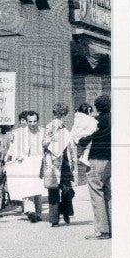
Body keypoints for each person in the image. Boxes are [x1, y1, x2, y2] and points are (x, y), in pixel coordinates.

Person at [78, 94, 111, 240]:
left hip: (96, 159)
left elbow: (84, 140)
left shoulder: (95, 121)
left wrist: (79, 140)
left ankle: (102, 230)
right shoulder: (113, 120)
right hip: (110, 160)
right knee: (107, 193)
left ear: (97, 107)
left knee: (96, 193)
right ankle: (112, 226)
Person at [5, 110, 46, 222]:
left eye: (34, 121)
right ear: (26, 121)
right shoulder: (19, 133)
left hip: (39, 162)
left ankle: (37, 213)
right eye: (30, 122)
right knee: (27, 187)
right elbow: (14, 147)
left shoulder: (43, 132)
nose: (32, 124)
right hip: (25, 162)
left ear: (38, 121)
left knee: (37, 188)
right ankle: (30, 211)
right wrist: (17, 156)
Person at [42, 103, 75, 227]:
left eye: (61, 115)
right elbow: (44, 143)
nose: (60, 117)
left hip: (65, 161)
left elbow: (70, 145)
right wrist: (55, 137)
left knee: (67, 190)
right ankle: (54, 219)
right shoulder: (50, 126)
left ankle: (65, 211)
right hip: (54, 161)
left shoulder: (66, 127)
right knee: (54, 189)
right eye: (58, 114)